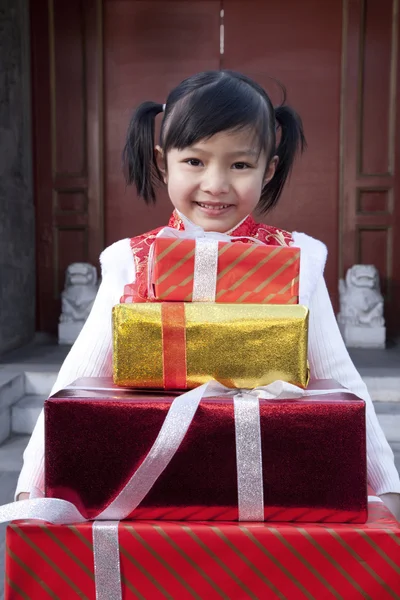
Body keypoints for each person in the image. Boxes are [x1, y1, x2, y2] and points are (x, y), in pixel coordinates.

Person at [16, 70, 400, 519]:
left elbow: (341, 380)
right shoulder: (130, 260)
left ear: (269, 168)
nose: (216, 184)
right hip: (154, 476)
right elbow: (75, 381)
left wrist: (388, 485)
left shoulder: (299, 259)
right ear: (163, 162)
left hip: (274, 474)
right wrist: (31, 487)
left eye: (239, 165)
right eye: (195, 162)